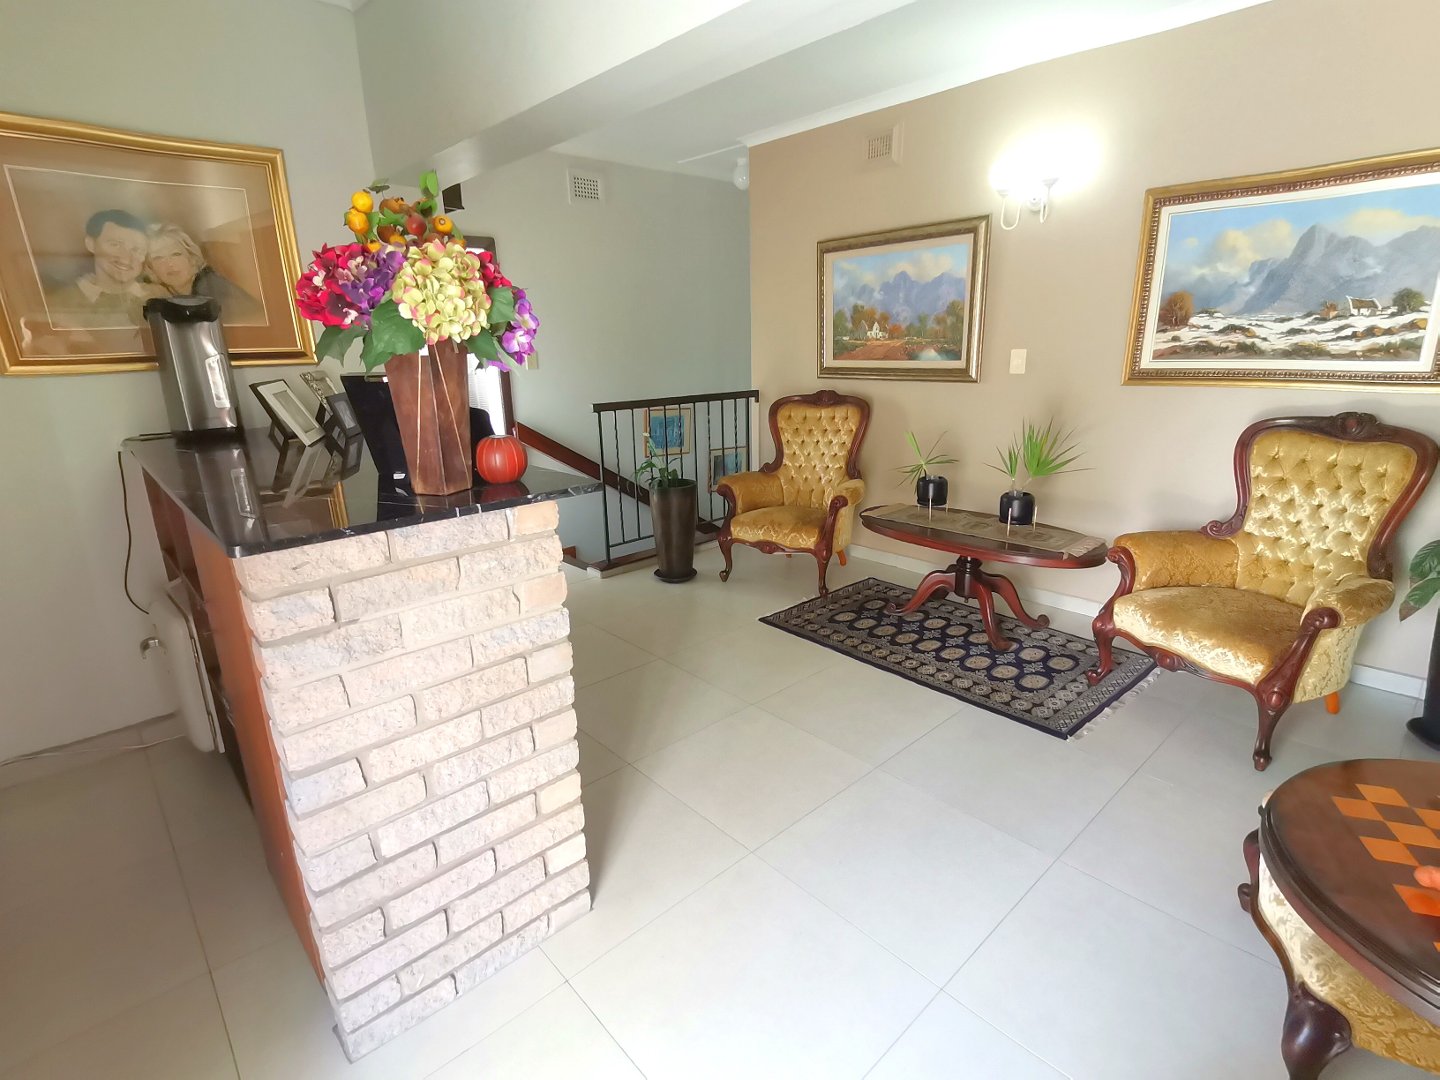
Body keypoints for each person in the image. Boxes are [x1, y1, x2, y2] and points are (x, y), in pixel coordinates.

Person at [48, 209, 164, 327]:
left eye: (136, 249)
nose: (126, 258)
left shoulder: (159, 295)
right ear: (91, 244)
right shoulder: (61, 301)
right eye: (115, 244)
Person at [145, 222, 261, 322]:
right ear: (150, 267)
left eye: (176, 254)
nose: (169, 264)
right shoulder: (164, 294)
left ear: (193, 258)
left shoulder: (213, 290)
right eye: (158, 258)